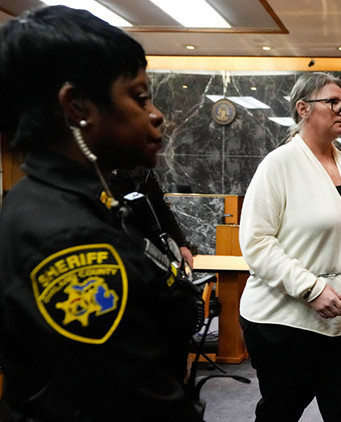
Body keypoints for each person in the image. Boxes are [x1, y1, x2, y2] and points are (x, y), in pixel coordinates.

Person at [0, 6, 203, 421]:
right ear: (78, 107)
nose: (156, 114)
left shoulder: (78, 200)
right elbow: (138, 403)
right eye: (139, 96)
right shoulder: (69, 239)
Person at [238, 72, 341, 421]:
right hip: (286, 322)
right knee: (280, 415)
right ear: (303, 108)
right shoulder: (277, 165)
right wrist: (310, 288)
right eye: (332, 102)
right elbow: (256, 243)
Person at [109, 168, 195, 268]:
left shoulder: (141, 169)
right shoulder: (102, 173)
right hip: (116, 250)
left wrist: (181, 244)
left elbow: (160, 208)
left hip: (148, 249)